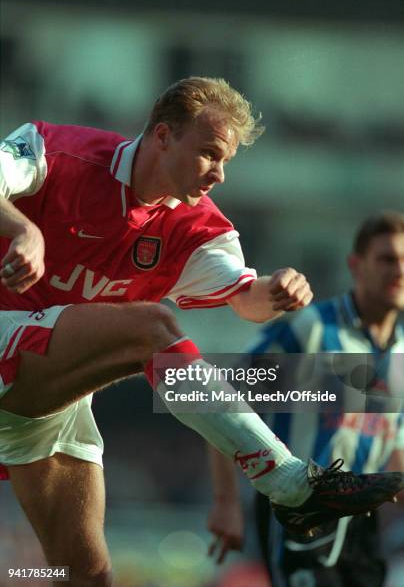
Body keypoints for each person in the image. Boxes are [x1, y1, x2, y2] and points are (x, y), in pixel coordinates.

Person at [0, 78, 402, 586]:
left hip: (42, 399)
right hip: (6, 339)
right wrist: (24, 230)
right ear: (163, 136)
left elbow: (245, 301)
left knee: (86, 575)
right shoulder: (56, 150)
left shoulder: (200, 227)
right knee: (154, 326)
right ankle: (291, 484)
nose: (220, 174)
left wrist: (274, 289)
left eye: (226, 160)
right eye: (210, 153)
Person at [208, 211, 404, 586]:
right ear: (356, 266)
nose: (398, 271)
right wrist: (226, 501)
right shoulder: (311, 329)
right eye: (386, 259)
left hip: (365, 528)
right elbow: (217, 396)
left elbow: (393, 449)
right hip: (301, 516)